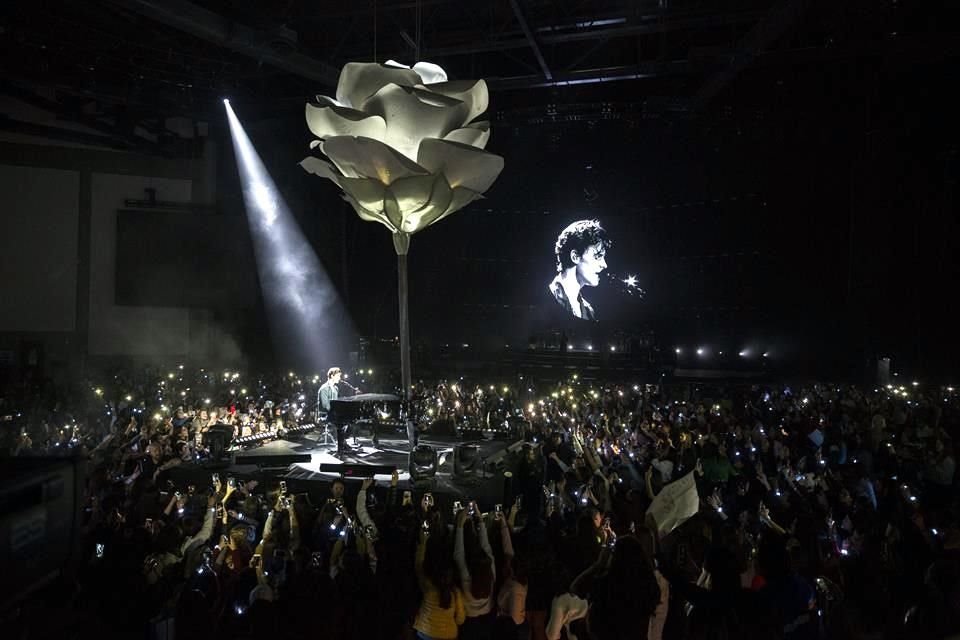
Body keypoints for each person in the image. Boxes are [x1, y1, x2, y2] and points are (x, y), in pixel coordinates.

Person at [547, 219, 611, 321]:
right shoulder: (549, 298)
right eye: (598, 256)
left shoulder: (589, 311)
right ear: (575, 257)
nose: (604, 265)